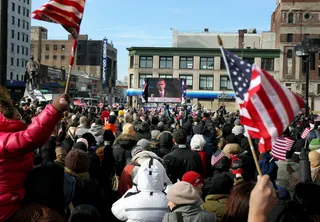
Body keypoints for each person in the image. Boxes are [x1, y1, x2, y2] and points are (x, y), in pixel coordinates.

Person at [0, 89, 70, 221]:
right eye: (17, 114)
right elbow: (29, 137)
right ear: (5, 116)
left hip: (14, 195)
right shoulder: (2, 139)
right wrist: (54, 109)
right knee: (50, 218)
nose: (20, 116)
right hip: (6, 207)